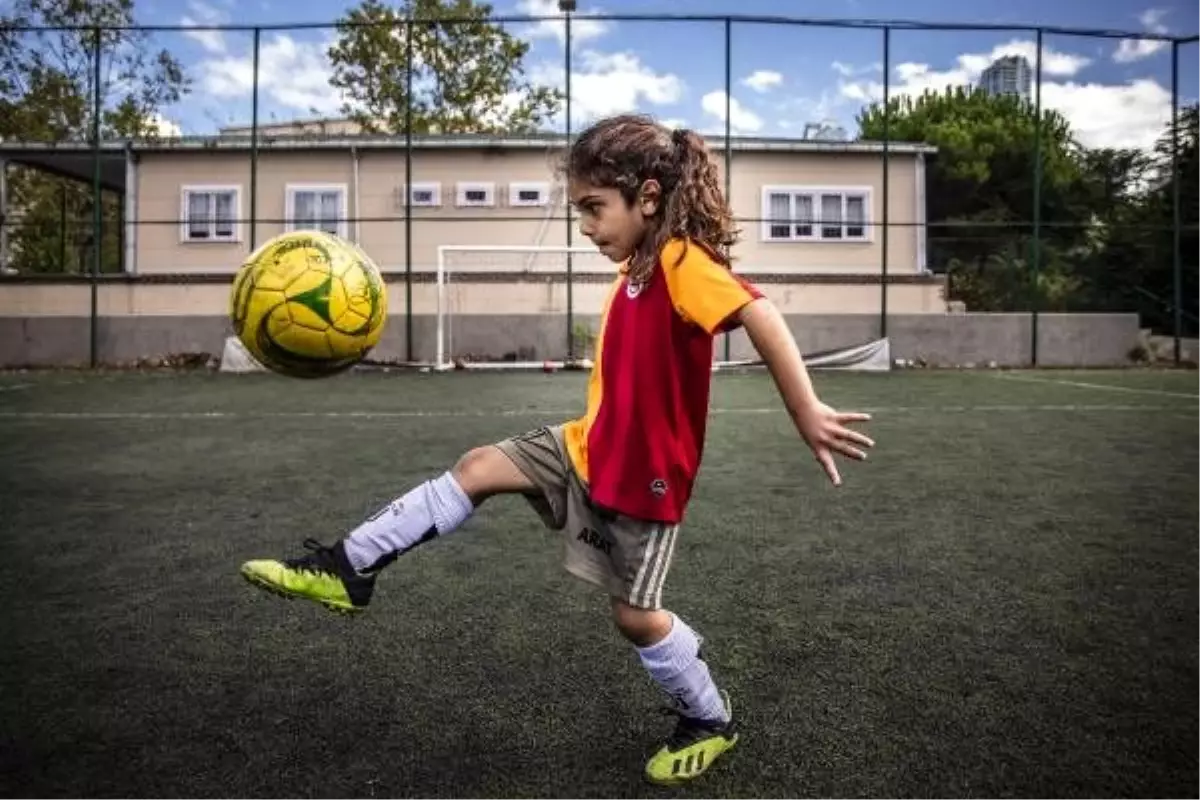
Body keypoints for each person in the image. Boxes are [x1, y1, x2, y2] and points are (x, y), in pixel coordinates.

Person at [239, 113, 875, 787]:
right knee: (478, 467)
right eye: (580, 210)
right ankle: (347, 568)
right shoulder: (635, 267)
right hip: (583, 449)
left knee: (635, 617)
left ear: (649, 197)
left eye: (595, 208)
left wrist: (806, 407)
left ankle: (711, 718)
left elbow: (759, 312)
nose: (586, 225)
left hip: (644, 482)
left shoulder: (684, 263)